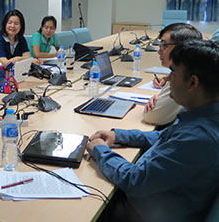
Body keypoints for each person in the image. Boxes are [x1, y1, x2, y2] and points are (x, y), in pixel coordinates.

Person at [87, 40, 219, 222]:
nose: (168, 79)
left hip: (143, 213)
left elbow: (135, 180)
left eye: (173, 72)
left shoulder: (198, 137)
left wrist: (100, 151)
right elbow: (163, 136)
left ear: (193, 82)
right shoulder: (203, 114)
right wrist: (119, 135)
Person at [143, 23, 202, 125]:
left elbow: (152, 117)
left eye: (164, 46)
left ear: (183, 48)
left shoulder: (183, 78)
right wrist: (165, 81)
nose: (159, 51)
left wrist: (153, 105)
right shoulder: (192, 68)